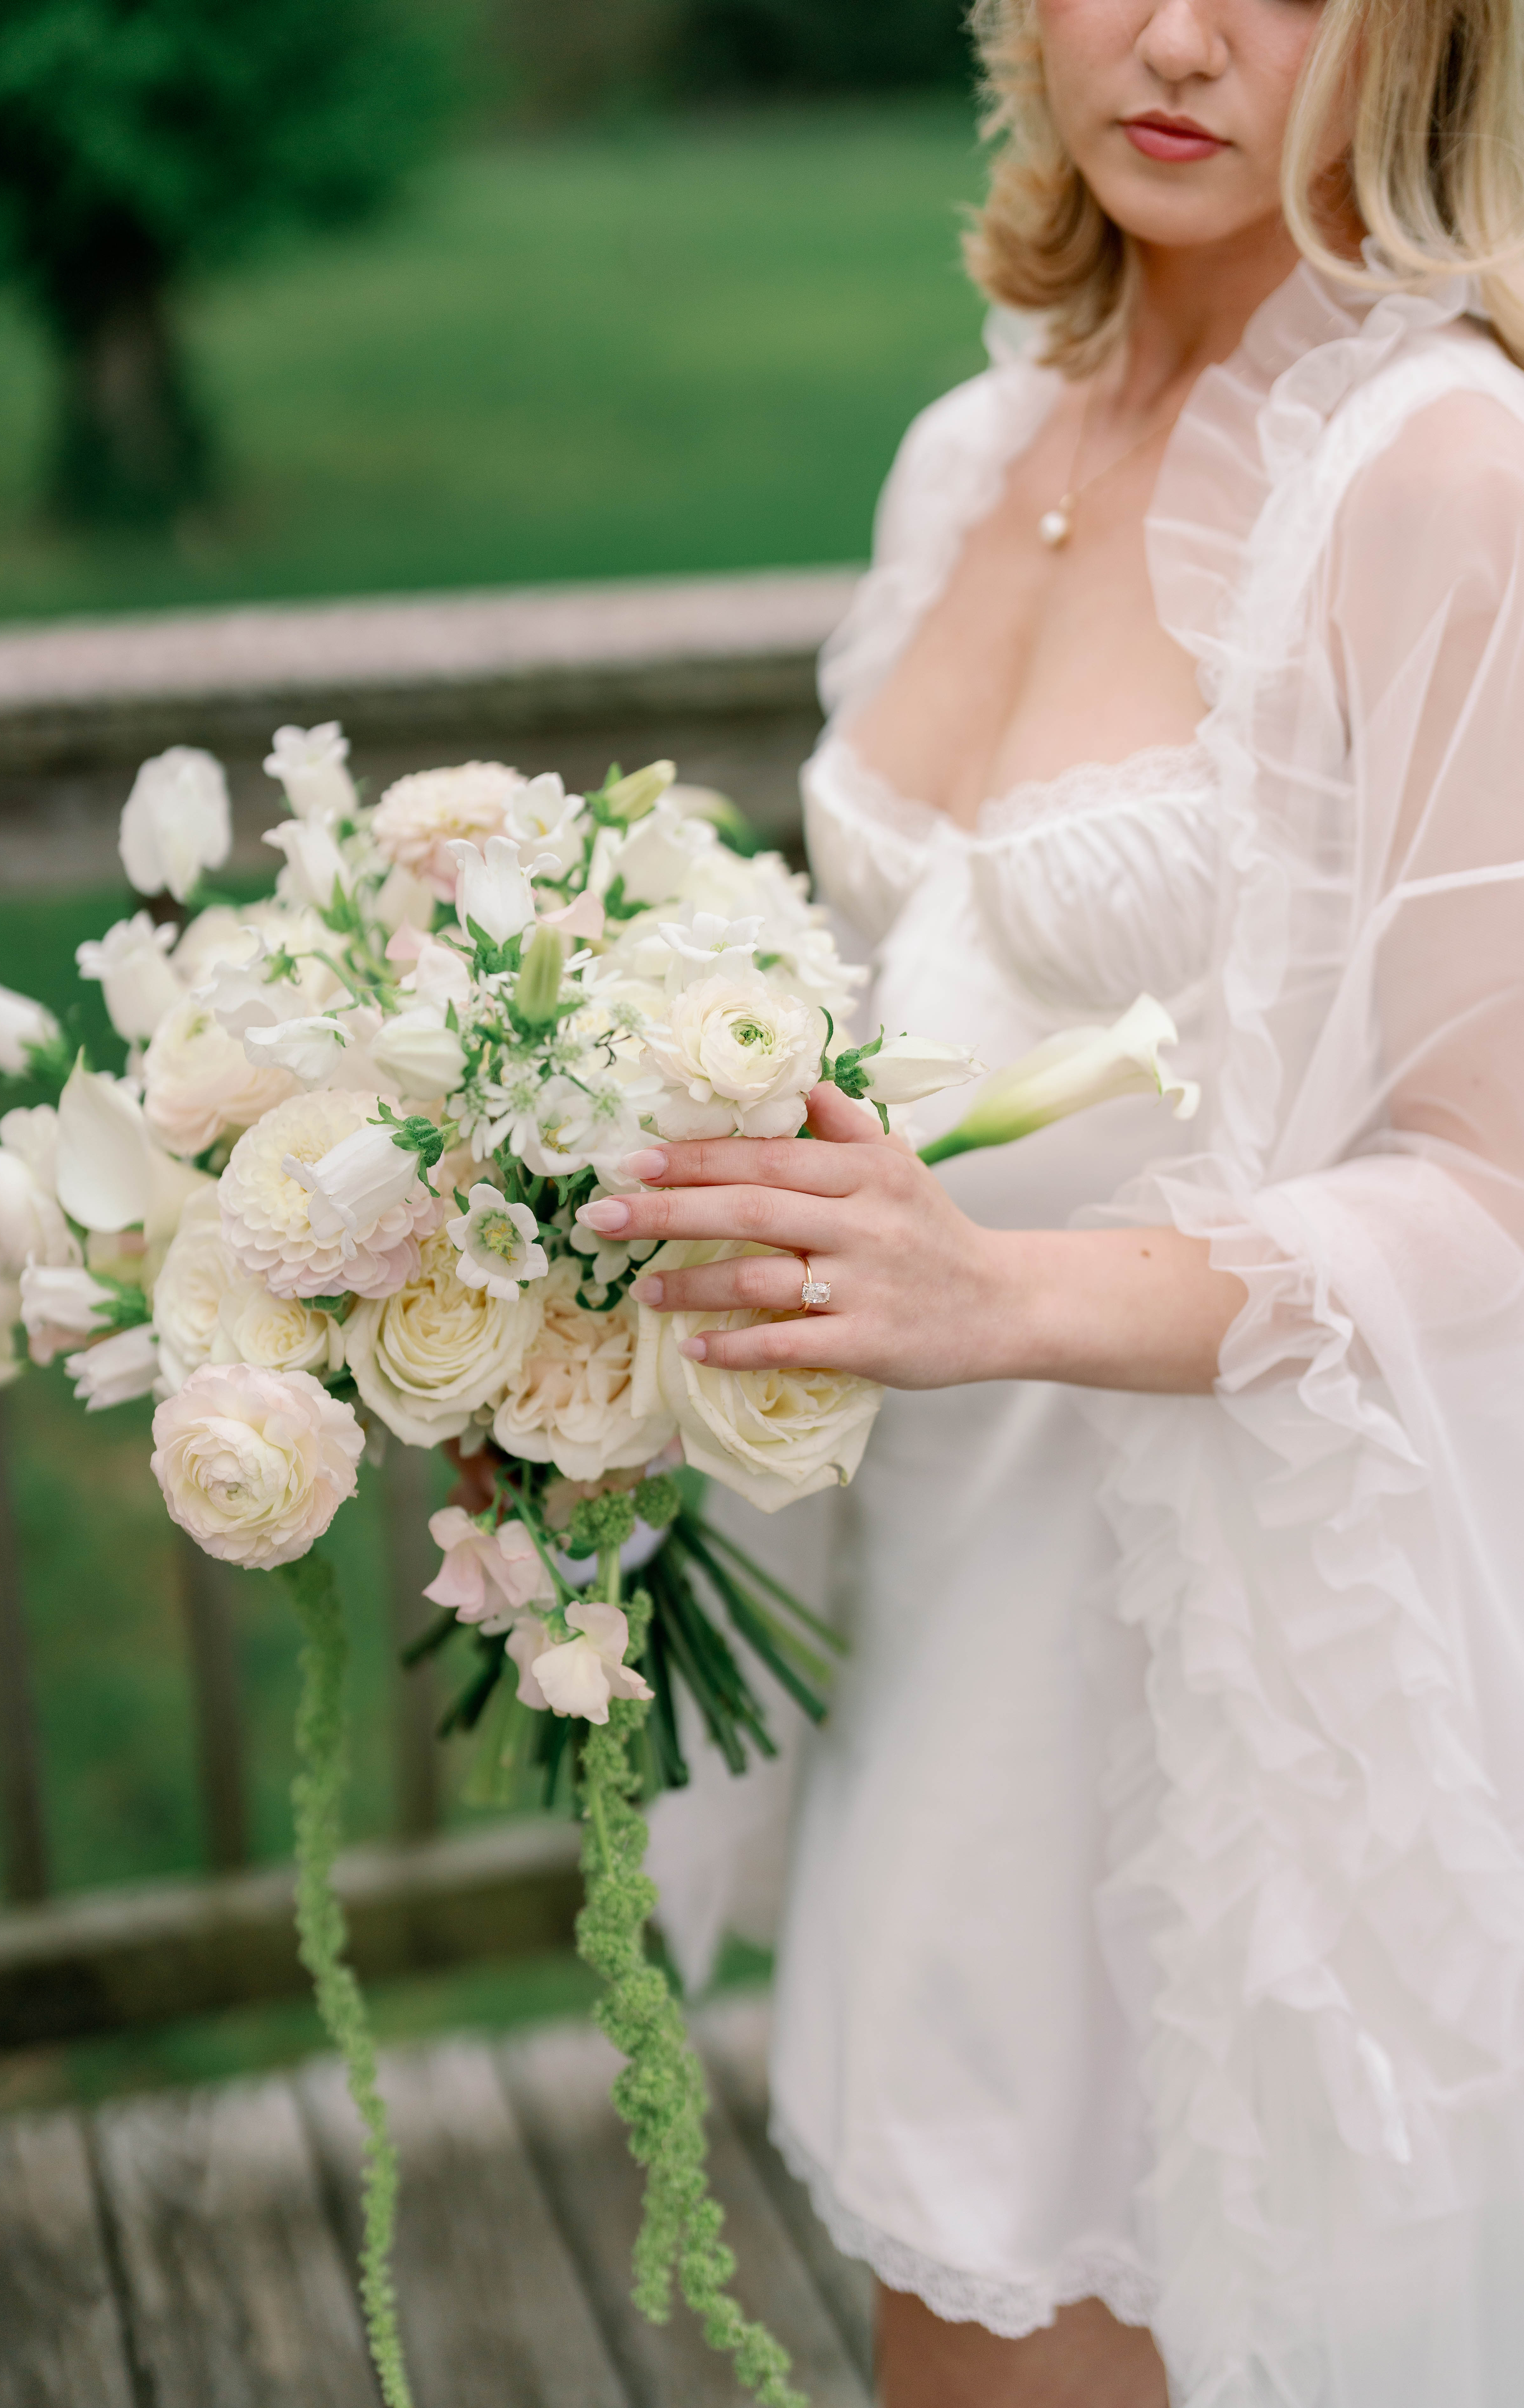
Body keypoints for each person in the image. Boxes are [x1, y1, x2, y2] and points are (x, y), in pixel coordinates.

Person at [577, 2, 1524, 2400]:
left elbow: (1493, 1195)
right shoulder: (966, 446)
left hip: (1190, 1694)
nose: (1178, 37)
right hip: (928, 1621)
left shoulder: (1440, 470)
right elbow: (906, 994)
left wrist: (987, 1288)